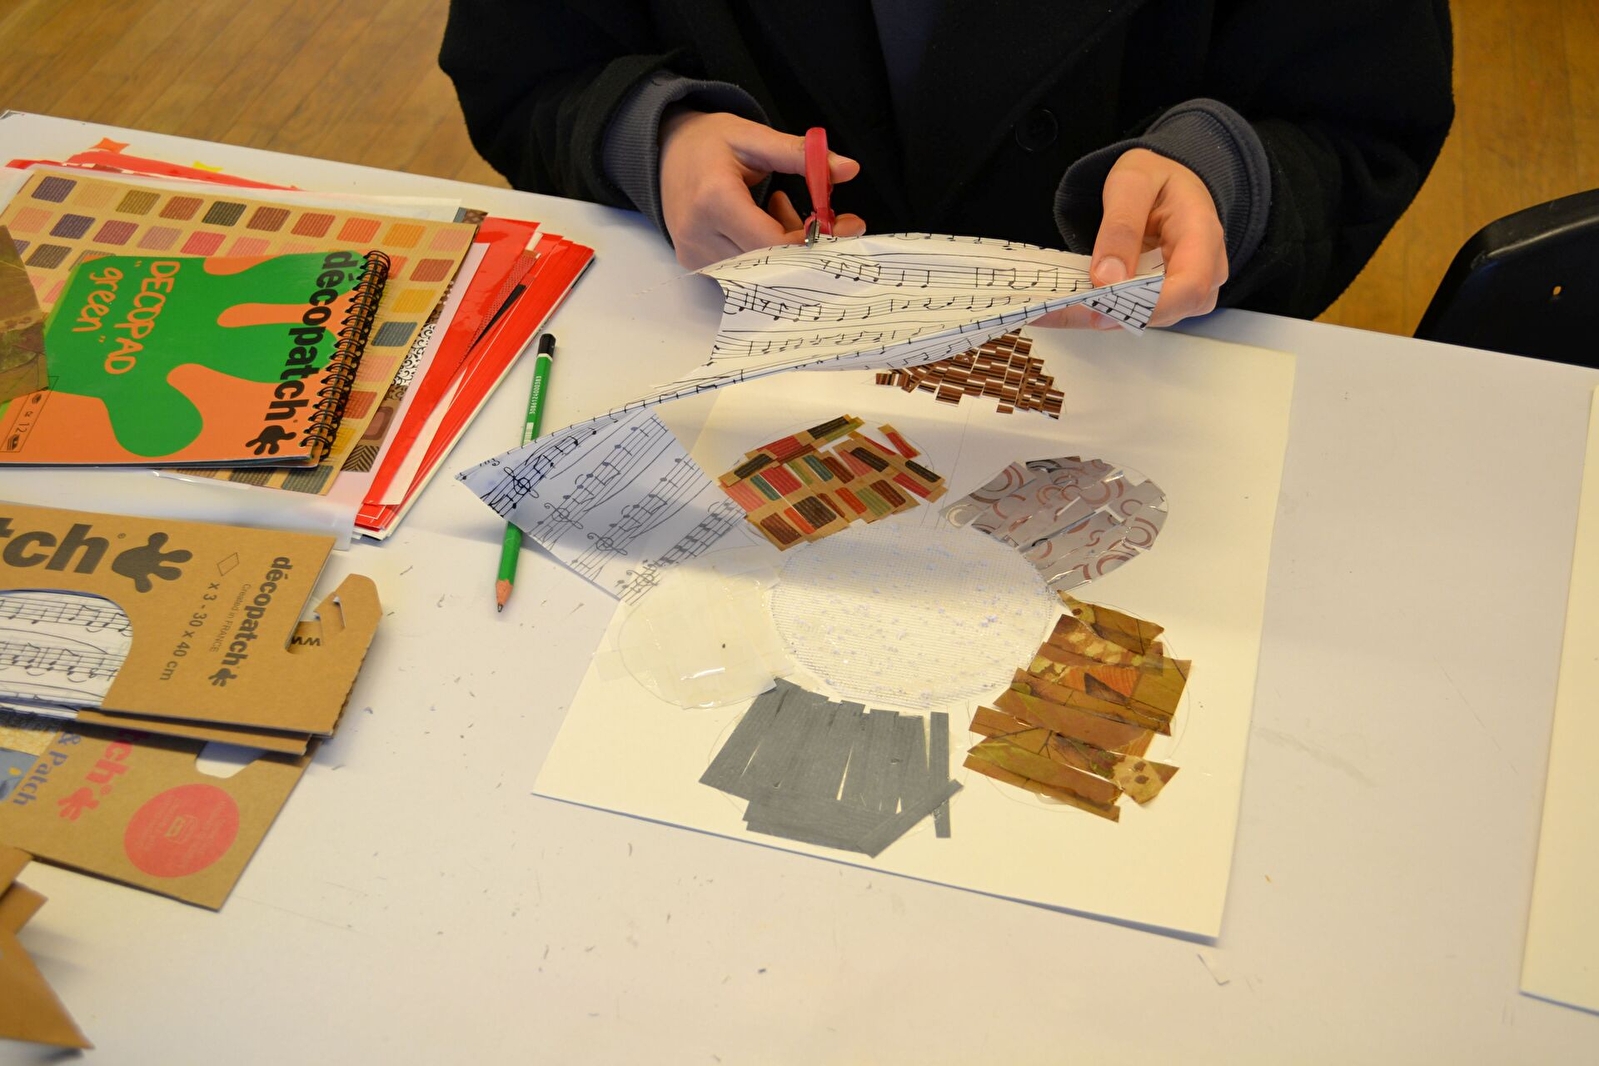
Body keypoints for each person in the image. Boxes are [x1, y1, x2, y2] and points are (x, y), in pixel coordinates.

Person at [440, 1, 1453, 328]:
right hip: (729, 372)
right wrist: (650, 137)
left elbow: (1354, 116)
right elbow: (526, 66)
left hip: (1132, 397)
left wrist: (1226, 173)